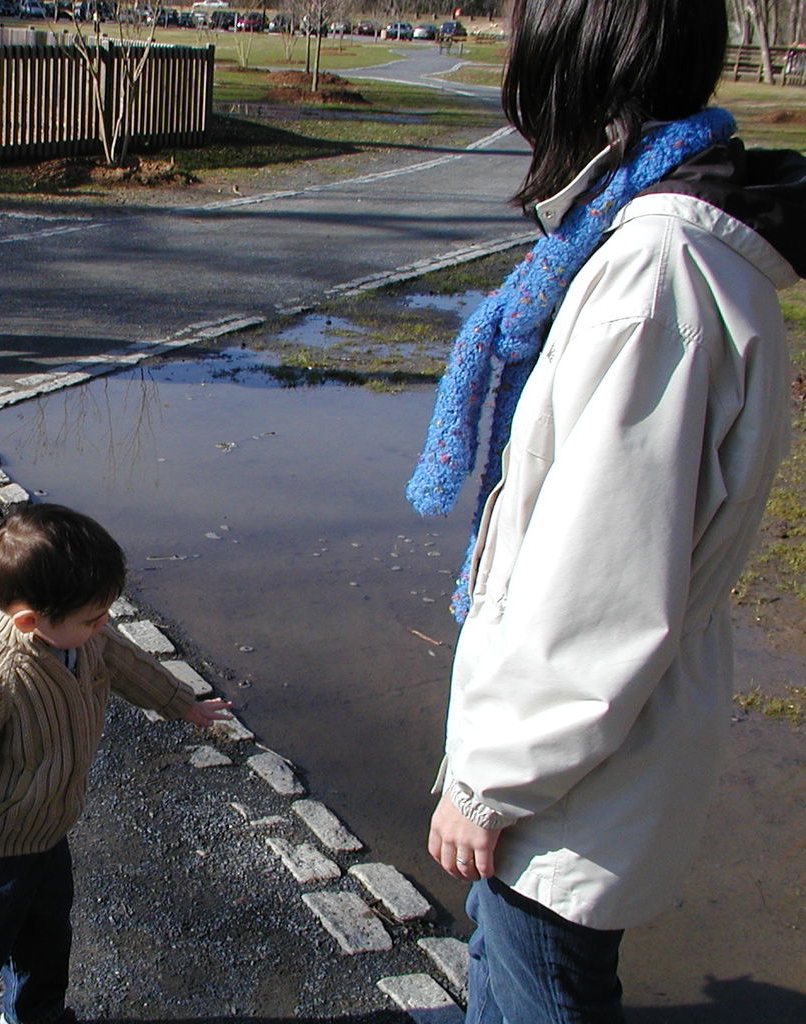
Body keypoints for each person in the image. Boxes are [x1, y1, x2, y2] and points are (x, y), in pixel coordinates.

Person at [405, 1, 805, 1021]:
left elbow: (602, 588)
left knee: (537, 990)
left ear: (578, 63)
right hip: (588, 766)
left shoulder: (652, 273)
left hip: (573, 789)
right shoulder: (645, 243)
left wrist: (487, 784)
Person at [0, 503, 232, 1024]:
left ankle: (35, 1018)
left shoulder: (80, 638)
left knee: (44, 943)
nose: (103, 624)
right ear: (29, 620)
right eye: (92, 617)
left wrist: (181, 702)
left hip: (47, 832)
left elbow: (126, 663)